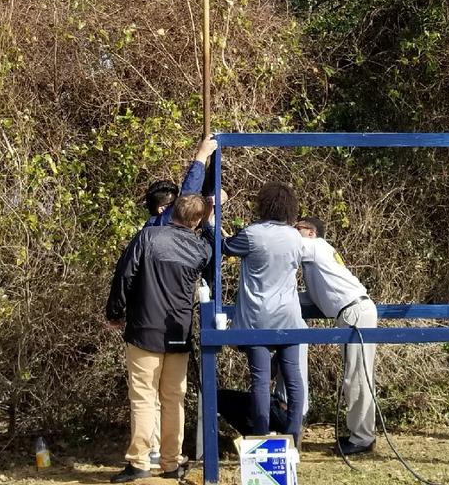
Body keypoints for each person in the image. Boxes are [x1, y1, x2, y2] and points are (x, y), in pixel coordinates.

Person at [105, 194, 213, 483]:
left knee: (143, 398)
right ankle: (170, 463)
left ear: (172, 211)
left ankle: (139, 461)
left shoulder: (148, 237)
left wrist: (114, 312)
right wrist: (212, 218)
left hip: (143, 330)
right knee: (173, 400)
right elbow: (215, 255)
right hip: (178, 333)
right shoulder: (201, 249)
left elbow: (124, 275)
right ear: (198, 220)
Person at [208, 182, 310, 445]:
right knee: (293, 377)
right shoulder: (295, 237)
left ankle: (262, 438)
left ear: (263, 205)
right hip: (289, 316)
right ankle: (293, 437)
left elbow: (225, 246)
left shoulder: (252, 234)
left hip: (257, 317)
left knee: (260, 381)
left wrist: (210, 223)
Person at [296, 216, 378, 455]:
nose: (292, 232)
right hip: (353, 312)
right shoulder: (316, 258)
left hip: (354, 313)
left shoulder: (314, 246)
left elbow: (282, 246)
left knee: (358, 377)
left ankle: (362, 438)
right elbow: (313, 298)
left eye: (296, 228)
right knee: (357, 376)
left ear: (310, 232)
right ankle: (361, 434)